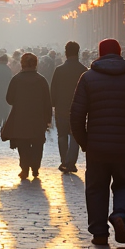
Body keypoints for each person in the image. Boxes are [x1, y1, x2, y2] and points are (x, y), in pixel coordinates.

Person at [70, 38, 125, 246]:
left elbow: (76, 116)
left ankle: (99, 233)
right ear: (119, 53)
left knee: (96, 188)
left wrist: (85, 142)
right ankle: (121, 215)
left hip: (97, 146)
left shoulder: (87, 78)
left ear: (99, 53)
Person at [2, 52, 52, 179]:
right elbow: (48, 102)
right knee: (37, 144)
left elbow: (9, 99)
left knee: (23, 144)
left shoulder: (16, 79)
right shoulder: (41, 80)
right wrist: (48, 119)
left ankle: (24, 169)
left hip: (20, 117)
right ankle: (35, 168)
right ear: (36, 64)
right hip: (37, 118)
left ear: (22, 64)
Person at [49, 41, 87, 173]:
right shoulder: (83, 70)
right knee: (75, 136)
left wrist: (53, 104)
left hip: (62, 108)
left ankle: (64, 161)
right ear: (78, 52)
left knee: (62, 135)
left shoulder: (59, 70)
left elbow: (53, 89)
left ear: (66, 53)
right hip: (78, 109)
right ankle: (71, 162)